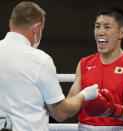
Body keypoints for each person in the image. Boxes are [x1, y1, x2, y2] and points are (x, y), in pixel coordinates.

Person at [0, 1, 98, 131]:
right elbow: (61, 113)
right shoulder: (39, 60)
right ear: (37, 28)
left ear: (10, 23)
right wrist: (84, 94)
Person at [67, 8, 123, 130]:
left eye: (107, 27)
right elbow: (70, 105)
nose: (100, 32)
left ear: (122, 33)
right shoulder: (84, 64)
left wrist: (111, 110)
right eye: (97, 26)